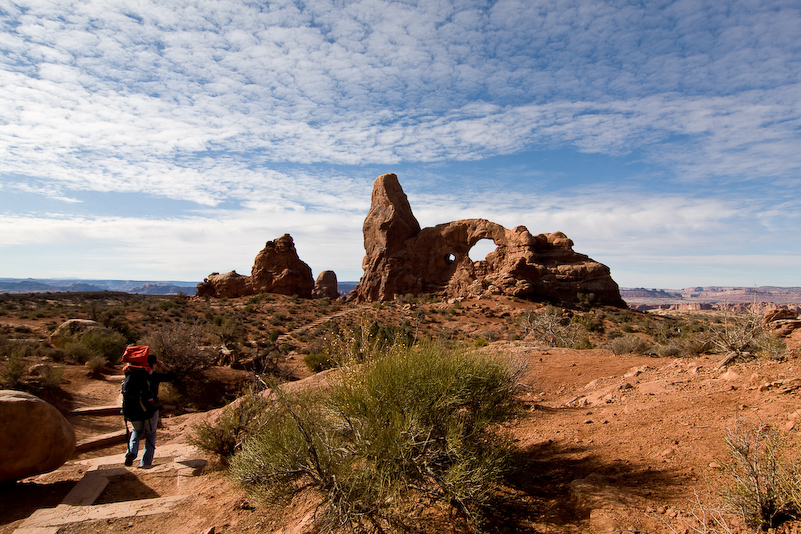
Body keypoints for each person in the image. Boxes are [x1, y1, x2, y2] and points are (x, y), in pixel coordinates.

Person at [122, 354, 175, 468]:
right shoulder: (154, 376)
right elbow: (172, 376)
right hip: (150, 411)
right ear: (154, 364)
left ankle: (131, 452)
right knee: (150, 435)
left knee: (136, 432)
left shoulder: (131, 375)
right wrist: (163, 367)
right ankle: (145, 463)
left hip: (133, 411)